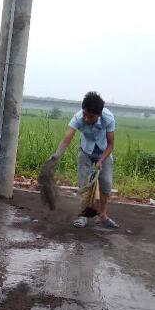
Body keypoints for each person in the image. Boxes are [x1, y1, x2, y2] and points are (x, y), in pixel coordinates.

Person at [51, 91, 119, 228]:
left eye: (91, 116)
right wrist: (56, 156)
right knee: (84, 185)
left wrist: (101, 160)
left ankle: (102, 216)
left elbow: (111, 144)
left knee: (106, 183)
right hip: (85, 151)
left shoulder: (108, 118)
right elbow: (67, 136)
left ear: (99, 115)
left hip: (103, 152)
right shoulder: (78, 117)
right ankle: (83, 217)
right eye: (85, 114)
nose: (86, 118)